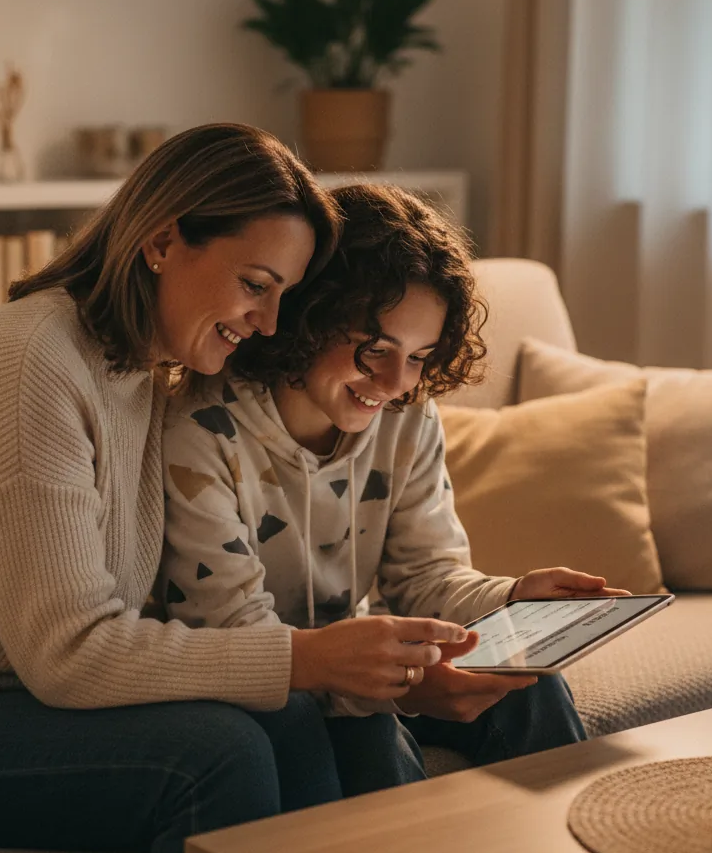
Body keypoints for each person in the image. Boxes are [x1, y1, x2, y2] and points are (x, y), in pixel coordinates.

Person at [0, 126, 470, 853]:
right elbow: (69, 652)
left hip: (28, 695)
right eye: (255, 286)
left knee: (304, 721)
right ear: (160, 240)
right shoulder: (29, 361)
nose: (268, 323)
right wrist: (304, 659)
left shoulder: (144, 368)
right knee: (216, 754)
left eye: (285, 297)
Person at [159, 183, 627, 788]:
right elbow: (234, 635)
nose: (393, 382)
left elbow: (425, 576)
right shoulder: (201, 429)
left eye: (418, 356)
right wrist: (403, 686)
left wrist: (513, 599)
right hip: (256, 681)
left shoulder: (405, 417)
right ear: (309, 316)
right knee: (371, 736)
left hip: (354, 664)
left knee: (532, 688)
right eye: (373, 350)